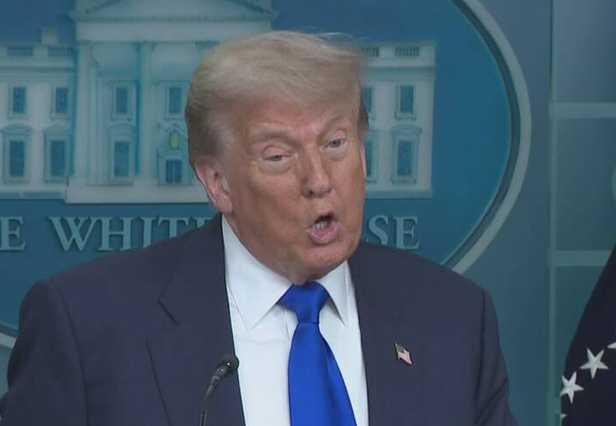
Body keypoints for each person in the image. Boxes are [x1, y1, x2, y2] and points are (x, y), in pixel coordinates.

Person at [0, 32, 517, 425]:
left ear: (363, 152)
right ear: (218, 182)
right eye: (278, 155)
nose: (319, 180)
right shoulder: (87, 327)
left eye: (336, 143)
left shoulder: (454, 319)